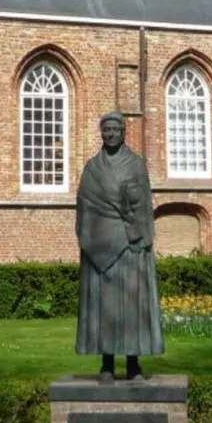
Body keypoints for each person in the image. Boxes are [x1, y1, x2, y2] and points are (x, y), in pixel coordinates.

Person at [75, 111, 164, 381]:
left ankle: (134, 364)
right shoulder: (92, 167)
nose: (111, 134)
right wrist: (90, 240)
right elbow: (84, 206)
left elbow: (144, 205)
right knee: (106, 308)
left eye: (115, 130)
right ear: (101, 133)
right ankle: (107, 364)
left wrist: (141, 239)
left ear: (124, 132)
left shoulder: (136, 165)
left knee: (131, 307)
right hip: (101, 246)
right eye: (106, 130)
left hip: (129, 246)